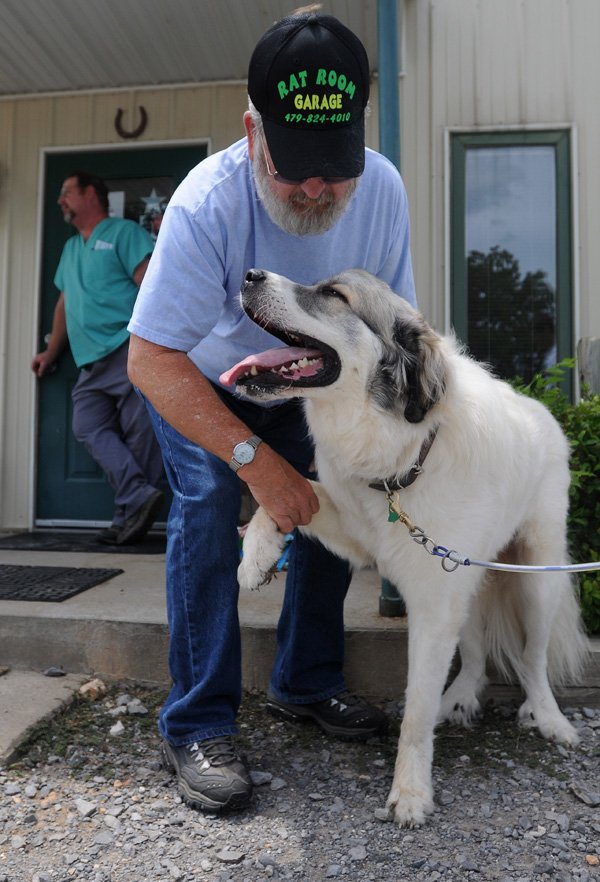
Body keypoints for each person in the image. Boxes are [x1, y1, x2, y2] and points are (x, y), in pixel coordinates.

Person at [128, 9, 417, 813]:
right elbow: (150, 359)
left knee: (335, 492)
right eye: (297, 167)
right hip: (201, 377)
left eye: (335, 165)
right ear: (251, 129)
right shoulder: (204, 205)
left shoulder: (381, 189)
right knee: (208, 500)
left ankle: (305, 680)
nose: (319, 187)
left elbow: (389, 330)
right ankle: (197, 722)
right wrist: (258, 464)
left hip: (308, 379)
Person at [32, 171, 164, 545]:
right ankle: (136, 499)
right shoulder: (72, 248)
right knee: (87, 426)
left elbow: (150, 284)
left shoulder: (124, 234)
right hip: (89, 360)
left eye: (67, 192)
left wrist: (155, 341)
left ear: (91, 194)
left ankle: (126, 519)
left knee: (141, 438)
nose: (61, 200)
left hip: (125, 347)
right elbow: (65, 303)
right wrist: (51, 352)